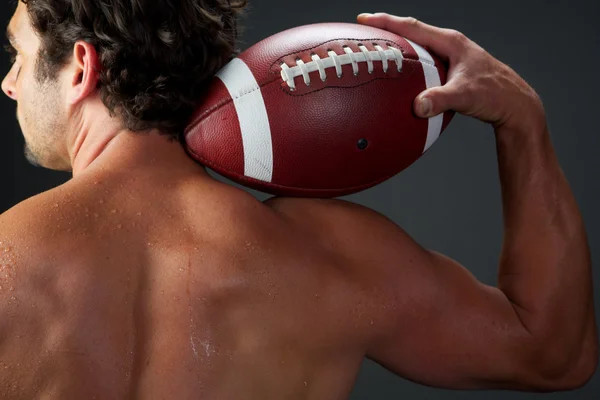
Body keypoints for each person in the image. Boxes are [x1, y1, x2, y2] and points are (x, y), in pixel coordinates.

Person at [0, 0, 596, 397]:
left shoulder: (8, 257)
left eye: (19, 57)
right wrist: (522, 119)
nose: (9, 83)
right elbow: (553, 353)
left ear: (81, 68)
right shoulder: (330, 257)